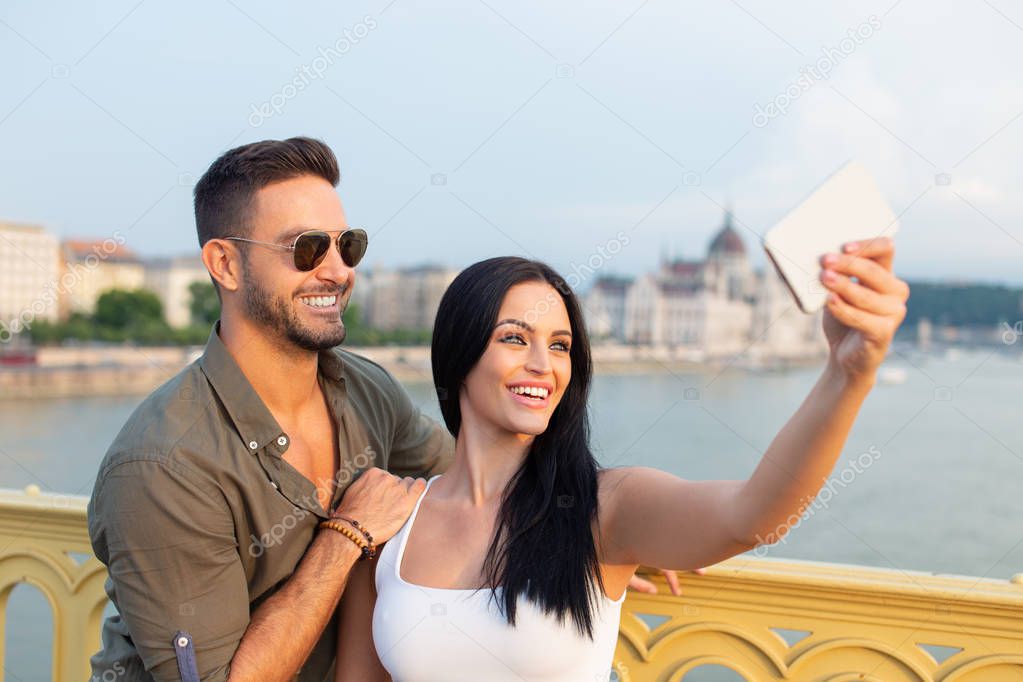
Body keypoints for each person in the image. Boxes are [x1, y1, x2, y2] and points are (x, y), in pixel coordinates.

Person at [86, 137, 677, 681]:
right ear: (225, 264)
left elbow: (483, 479)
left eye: (348, 245)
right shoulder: (163, 465)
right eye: (306, 248)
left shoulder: (365, 391)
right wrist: (346, 537)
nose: (339, 270)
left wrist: (599, 524)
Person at [334, 252, 909, 681]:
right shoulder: (391, 525)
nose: (542, 363)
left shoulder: (606, 507)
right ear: (459, 354)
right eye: (515, 338)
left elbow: (753, 517)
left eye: (560, 346)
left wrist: (847, 374)